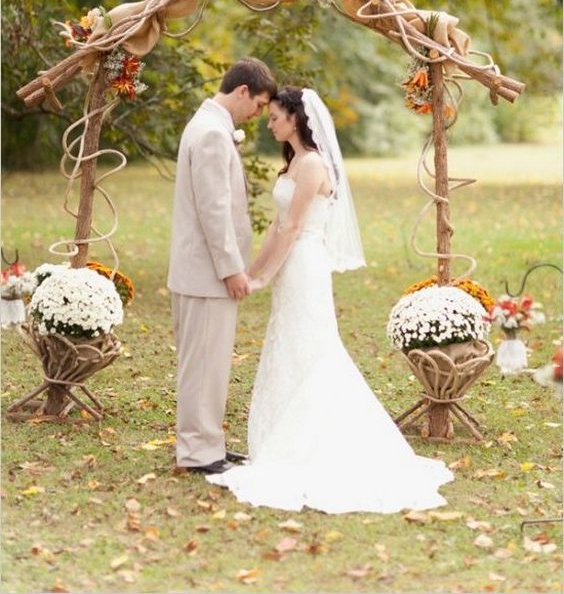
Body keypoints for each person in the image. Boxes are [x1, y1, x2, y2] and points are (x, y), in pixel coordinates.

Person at [208, 86, 454, 512]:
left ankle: (314, 444)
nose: (269, 123)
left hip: (304, 265)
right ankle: (281, 437)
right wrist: (251, 271)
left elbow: (292, 229)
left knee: (312, 348)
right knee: (289, 345)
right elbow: (275, 228)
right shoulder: (295, 164)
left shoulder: (313, 165)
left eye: (276, 117)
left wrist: (263, 277)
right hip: (289, 264)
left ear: (297, 119)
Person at [167, 58, 277, 475]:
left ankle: (207, 442)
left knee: (208, 364)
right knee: (203, 365)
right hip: (206, 274)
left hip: (199, 271)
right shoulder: (212, 133)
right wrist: (232, 269)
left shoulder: (207, 125)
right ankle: (198, 453)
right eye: (260, 104)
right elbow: (214, 211)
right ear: (242, 91)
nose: (260, 113)